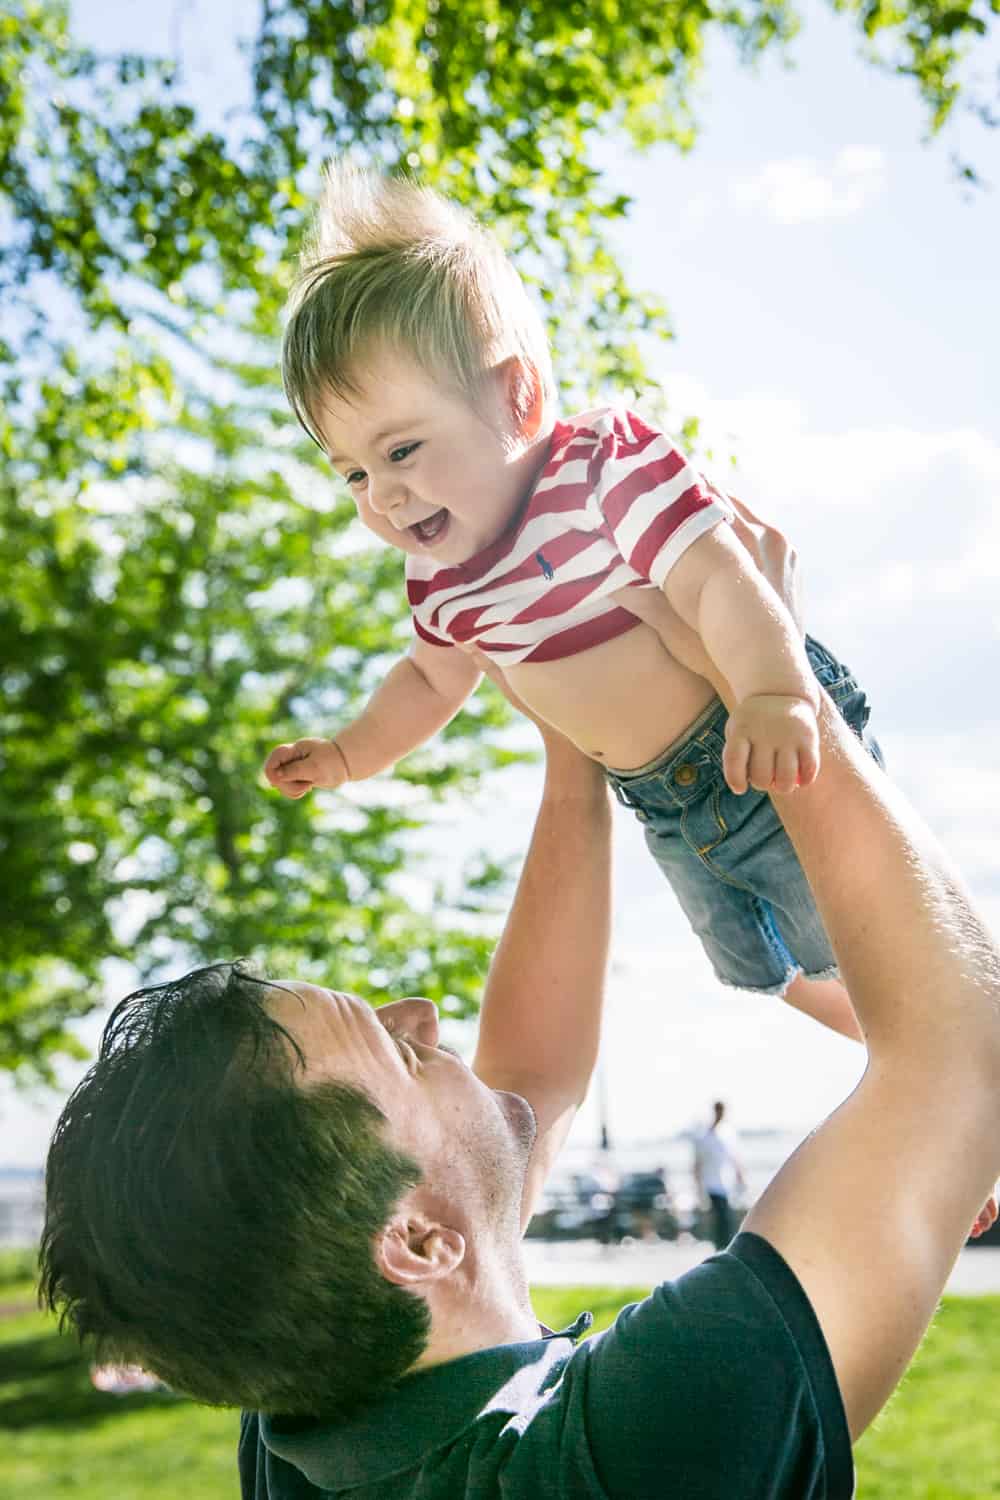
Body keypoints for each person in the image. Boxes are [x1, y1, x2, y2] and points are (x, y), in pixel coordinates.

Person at [41, 505, 999, 1499]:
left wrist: (571, 741)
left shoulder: (302, 1391)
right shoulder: (646, 1444)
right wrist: (776, 684)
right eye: (397, 1050)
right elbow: (960, 1057)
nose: (420, 1013)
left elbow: (523, 1090)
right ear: (416, 1243)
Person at [263, 162, 877, 1049]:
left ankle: (953, 1069)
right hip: (663, 805)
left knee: (864, 943)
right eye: (354, 473)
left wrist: (778, 694)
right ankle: (914, 1055)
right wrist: (350, 755)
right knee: (766, 966)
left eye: (401, 450)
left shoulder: (600, 470)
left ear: (518, 399)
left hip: (750, 732)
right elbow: (428, 683)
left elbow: (719, 579)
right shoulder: (442, 578)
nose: (383, 495)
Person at [692, 1100, 747, 1250]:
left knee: (726, 1217)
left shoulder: (727, 1134)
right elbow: (697, 1163)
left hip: (727, 1183)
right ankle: (721, 1247)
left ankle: (724, 1247)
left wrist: (741, 1177)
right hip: (711, 1183)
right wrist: (697, 1186)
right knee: (721, 1217)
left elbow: (735, 1158)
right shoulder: (704, 1136)